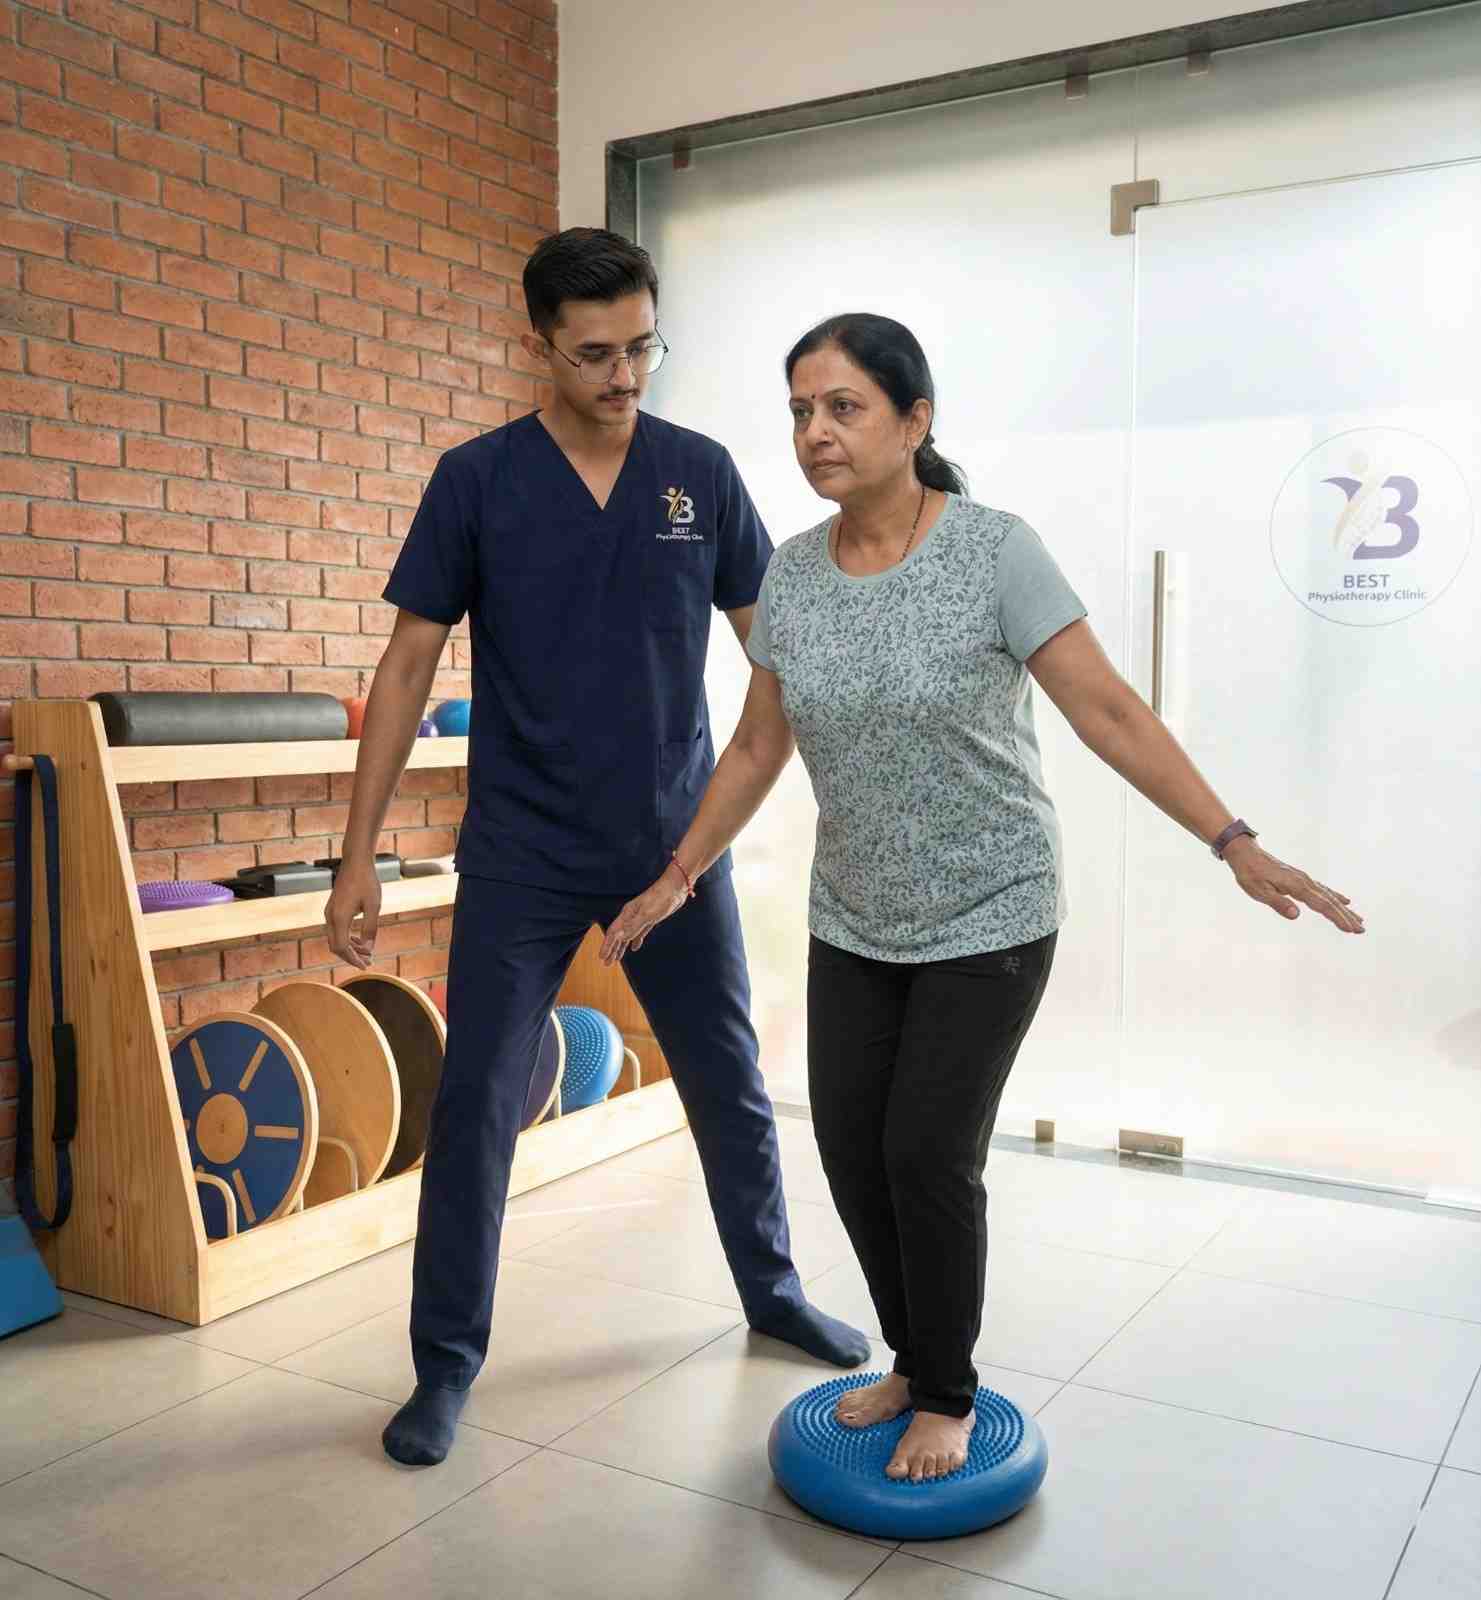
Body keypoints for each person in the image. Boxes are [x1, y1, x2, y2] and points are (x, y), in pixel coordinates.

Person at [600, 312, 1365, 1485]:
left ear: (915, 421)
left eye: (843, 406)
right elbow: (758, 748)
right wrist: (676, 870)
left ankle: (945, 1391)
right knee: (852, 1146)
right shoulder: (791, 575)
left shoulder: (995, 551)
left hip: (991, 910)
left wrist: (1230, 838)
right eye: (799, 409)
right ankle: (911, 1356)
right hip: (854, 913)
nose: (815, 431)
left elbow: (1104, 709)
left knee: (924, 1149)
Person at [324, 233, 870, 1470]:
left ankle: (772, 1292)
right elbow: (407, 663)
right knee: (474, 1107)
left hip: (670, 848)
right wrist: (357, 851)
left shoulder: (699, 473)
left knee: (725, 1080)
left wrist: (848, 770)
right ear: (537, 344)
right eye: (594, 353)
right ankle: (444, 1365)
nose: (624, 374)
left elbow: (770, 646)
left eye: (641, 347)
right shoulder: (477, 480)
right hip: (519, 851)